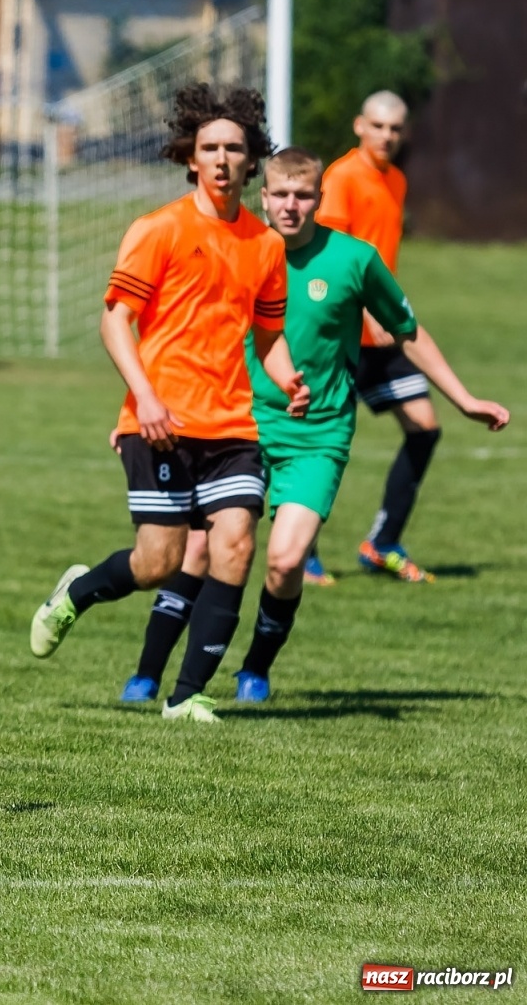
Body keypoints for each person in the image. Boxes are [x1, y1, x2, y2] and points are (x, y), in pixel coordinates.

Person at [121, 149, 509, 704]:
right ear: (264, 196)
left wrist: (464, 397)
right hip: (239, 425)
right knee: (199, 552)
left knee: (284, 560)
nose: (291, 205)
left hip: (319, 435)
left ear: (320, 199)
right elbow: (181, 333)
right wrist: (137, 411)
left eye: (303, 195)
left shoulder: (354, 260)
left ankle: (255, 667)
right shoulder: (243, 248)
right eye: (280, 194)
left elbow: (408, 330)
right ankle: (148, 672)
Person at [27, 83, 310, 725]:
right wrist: (146, 399)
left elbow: (267, 337)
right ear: (191, 157)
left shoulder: (265, 246)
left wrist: (289, 379)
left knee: (235, 543)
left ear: (251, 160)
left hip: (232, 424)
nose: (220, 159)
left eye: (233, 148)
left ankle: (188, 696)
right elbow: (114, 323)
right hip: (157, 425)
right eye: (209, 147)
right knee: (158, 563)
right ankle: (75, 592)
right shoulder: (158, 229)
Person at [318, 90, 443, 583]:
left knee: (425, 428)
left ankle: (382, 542)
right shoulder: (341, 178)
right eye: (377, 126)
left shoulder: (396, 180)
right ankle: (301, 551)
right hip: (345, 337)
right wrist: (364, 314)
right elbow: (328, 258)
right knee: (325, 444)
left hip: (384, 336)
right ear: (358, 125)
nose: (386, 136)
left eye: (395, 128)